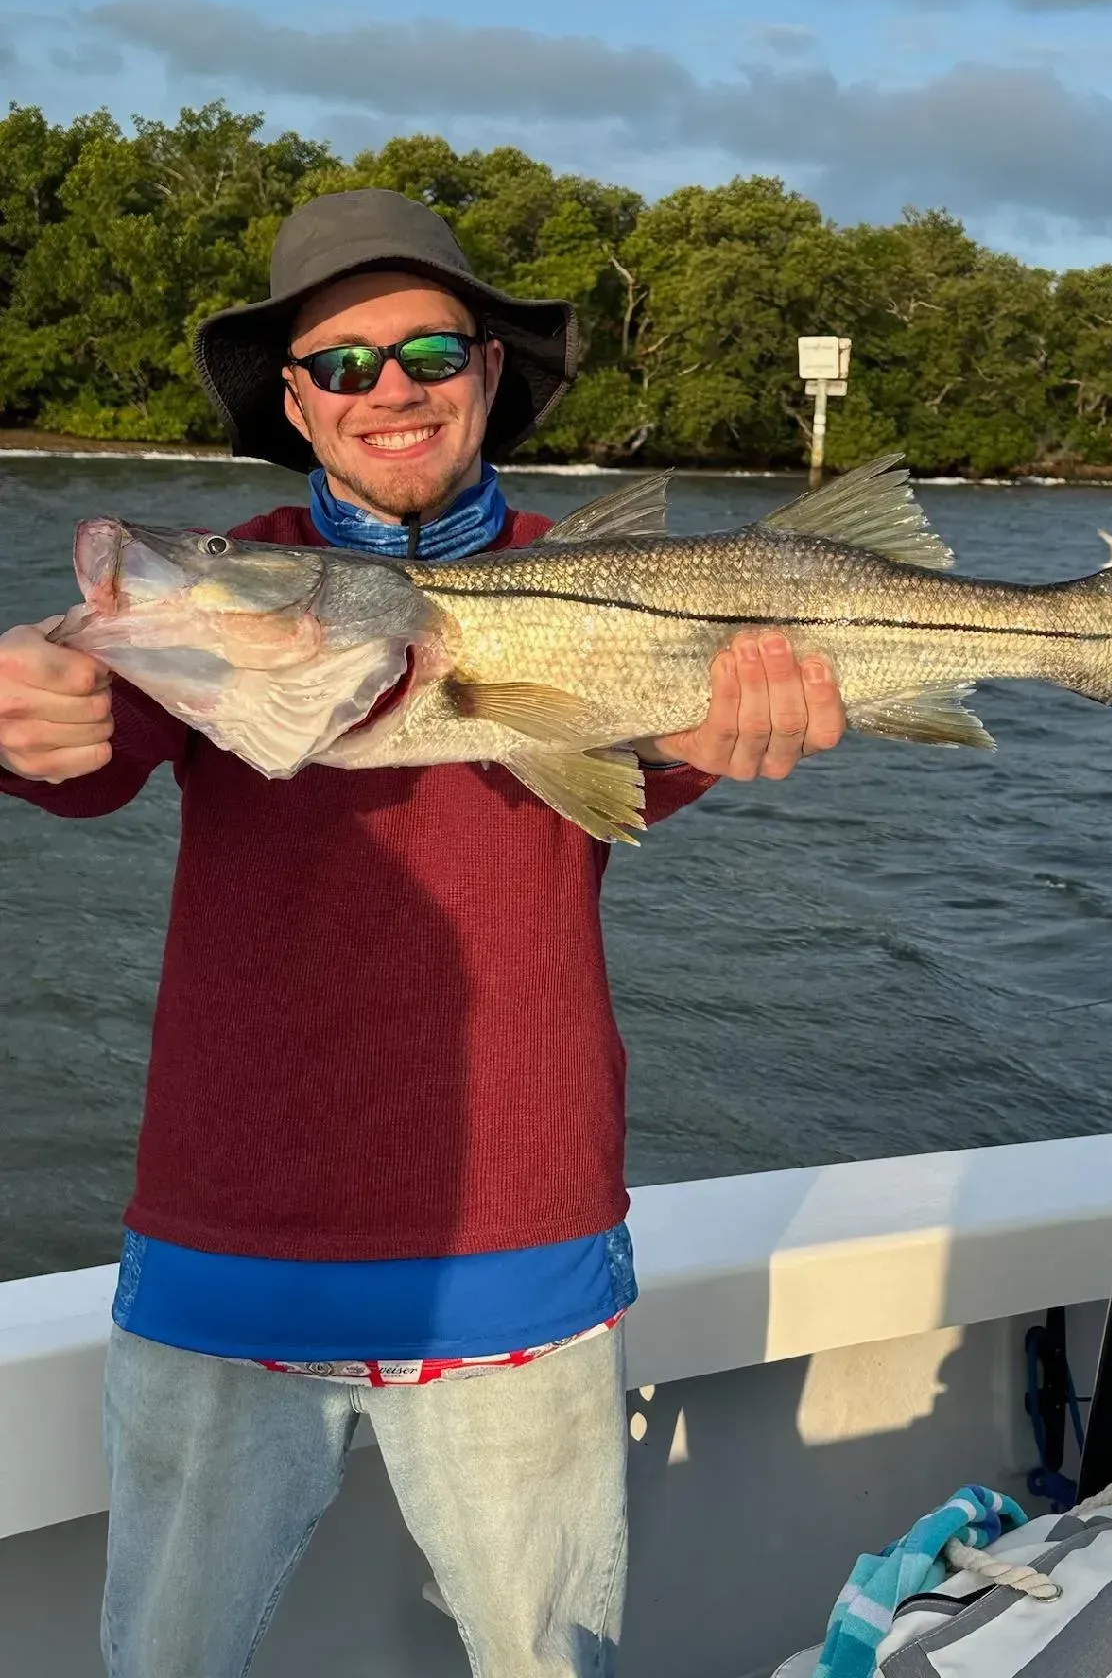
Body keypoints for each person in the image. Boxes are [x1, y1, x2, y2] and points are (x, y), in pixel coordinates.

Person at [0, 188, 847, 1678]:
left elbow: (631, 777)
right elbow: (83, 743)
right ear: (295, 402)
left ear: (489, 372)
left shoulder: (606, 580)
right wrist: (28, 713)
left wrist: (733, 729)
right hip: (219, 1252)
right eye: (340, 364)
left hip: (521, 1238)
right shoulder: (230, 586)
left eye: (429, 349)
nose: (388, 389)